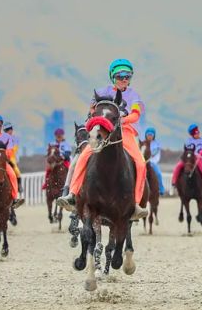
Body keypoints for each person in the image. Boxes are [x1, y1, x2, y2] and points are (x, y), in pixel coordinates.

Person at [56, 59, 149, 220]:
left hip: (125, 132)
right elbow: (92, 111)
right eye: (120, 75)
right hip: (103, 131)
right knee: (83, 156)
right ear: (113, 77)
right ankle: (71, 194)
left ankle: (135, 205)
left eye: (128, 76)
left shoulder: (134, 95)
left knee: (140, 163)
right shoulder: (101, 92)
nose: (124, 79)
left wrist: (122, 119)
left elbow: (135, 115)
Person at [172, 124, 202, 196]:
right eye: (196, 133)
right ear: (192, 134)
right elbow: (187, 149)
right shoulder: (188, 141)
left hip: (198, 158)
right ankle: (173, 184)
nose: (198, 134)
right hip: (189, 158)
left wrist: (201, 153)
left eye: (198, 132)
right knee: (177, 167)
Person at [2, 122, 23, 192]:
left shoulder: (15, 139)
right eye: (7, 130)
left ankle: (19, 185)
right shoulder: (2, 139)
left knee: (16, 170)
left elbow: (14, 149)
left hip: (12, 157)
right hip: (3, 157)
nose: (9, 131)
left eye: (10, 129)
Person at [144, 127, 165, 195]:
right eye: (148, 135)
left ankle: (161, 188)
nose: (149, 136)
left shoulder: (157, 144)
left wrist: (151, 154)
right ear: (146, 135)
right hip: (143, 162)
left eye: (151, 135)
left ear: (153, 136)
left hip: (153, 163)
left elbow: (155, 153)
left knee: (158, 173)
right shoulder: (143, 143)